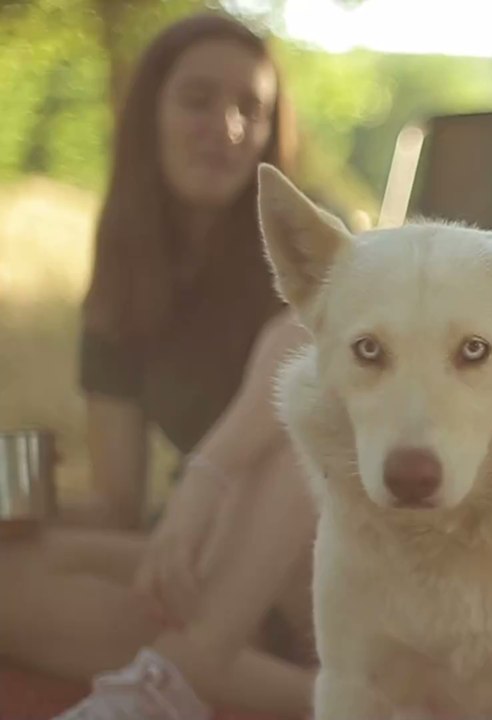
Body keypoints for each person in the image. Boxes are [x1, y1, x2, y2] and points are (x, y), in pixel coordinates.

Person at [1, 12, 318, 720]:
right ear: (149, 116)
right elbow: (117, 505)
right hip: (213, 560)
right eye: (199, 101)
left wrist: (208, 475)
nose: (229, 128)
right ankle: (270, 681)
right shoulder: (123, 279)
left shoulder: (306, 235)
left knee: (307, 417)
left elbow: (315, 344)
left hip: (324, 549)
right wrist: (15, 494)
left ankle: (250, 678)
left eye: (251, 109)